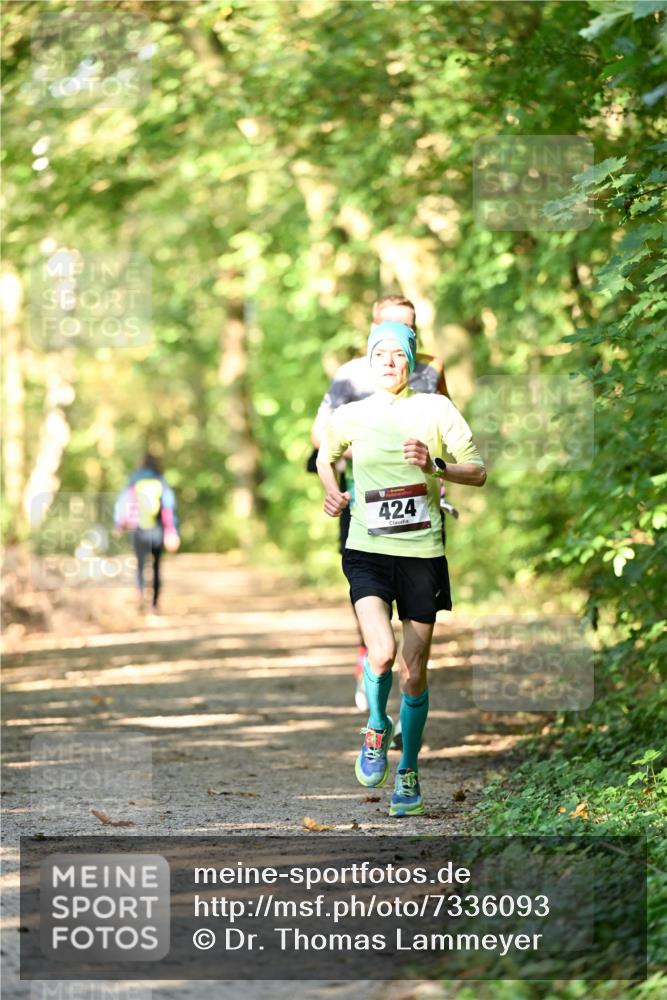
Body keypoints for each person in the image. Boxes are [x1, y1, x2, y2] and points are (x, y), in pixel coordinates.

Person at [316, 319, 486, 816]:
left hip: (422, 555)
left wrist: (435, 466)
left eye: (397, 354)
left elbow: (477, 471)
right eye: (380, 354)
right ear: (369, 361)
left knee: (413, 675)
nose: (388, 362)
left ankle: (408, 771)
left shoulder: (436, 409)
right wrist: (332, 491)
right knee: (382, 653)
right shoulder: (350, 414)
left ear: (411, 361)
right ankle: (375, 725)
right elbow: (325, 456)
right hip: (367, 550)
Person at [311, 295, 450, 720]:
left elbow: (449, 429)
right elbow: (321, 435)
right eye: (392, 325)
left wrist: (439, 466)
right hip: (363, 500)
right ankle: (369, 656)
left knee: (416, 606)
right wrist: (368, 452)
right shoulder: (351, 374)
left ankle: (411, 687)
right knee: (369, 589)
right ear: (373, 329)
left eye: (409, 327)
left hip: (420, 505)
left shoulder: (431, 368)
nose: (401, 334)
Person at [113, 452, 180, 614]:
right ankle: (154, 605)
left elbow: (122, 503)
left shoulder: (133, 481)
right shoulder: (161, 481)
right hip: (157, 529)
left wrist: (119, 524)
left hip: (138, 529)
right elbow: (169, 508)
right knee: (156, 567)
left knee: (140, 566)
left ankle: (140, 596)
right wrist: (172, 531)